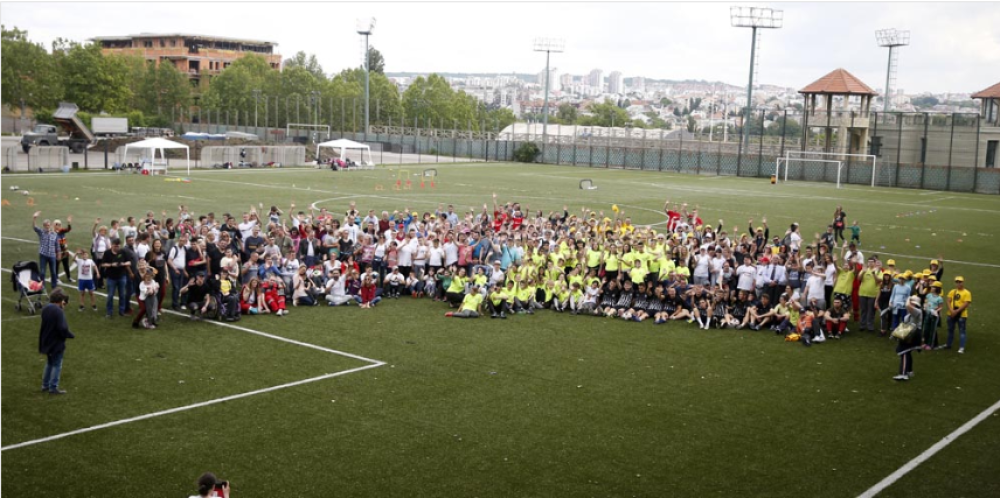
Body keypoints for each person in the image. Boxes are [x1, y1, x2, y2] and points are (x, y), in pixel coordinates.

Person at [39, 288, 74, 395]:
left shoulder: (46, 308)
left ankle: (45, 385)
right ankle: (53, 387)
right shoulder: (58, 311)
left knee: (49, 363)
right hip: (56, 343)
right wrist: (70, 335)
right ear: (61, 300)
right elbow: (62, 328)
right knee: (57, 364)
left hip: (47, 340)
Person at [894, 296, 923, 381]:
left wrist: (908, 298)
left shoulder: (917, 311)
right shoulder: (911, 312)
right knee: (908, 352)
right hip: (909, 333)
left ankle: (903, 374)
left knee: (904, 351)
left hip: (913, 334)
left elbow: (907, 306)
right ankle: (909, 371)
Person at [32, 211, 61, 288]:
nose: (47, 226)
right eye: (46, 225)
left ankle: (54, 286)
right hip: (43, 255)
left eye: (48, 225)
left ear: (50, 225)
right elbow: (35, 227)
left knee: (53, 272)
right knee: (42, 272)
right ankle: (42, 286)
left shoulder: (54, 234)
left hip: (52, 255)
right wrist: (34, 218)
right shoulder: (41, 232)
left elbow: (57, 245)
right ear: (44, 226)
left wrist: (58, 254)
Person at [944, 276, 972, 354]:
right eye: (957, 282)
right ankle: (948, 344)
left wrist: (956, 311)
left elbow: (966, 303)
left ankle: (961, 347)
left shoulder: (967, 293)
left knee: (962, 331)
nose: (958, 283)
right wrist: (951, 310)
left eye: (960, 282)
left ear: (963, 282)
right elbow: (948, 301)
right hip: (951, 313)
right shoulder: (952, 291)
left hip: (961, 314)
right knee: (950, 330)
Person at [71, 248, 100, 312]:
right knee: (82, 293)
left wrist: (97, 273)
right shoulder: (79, 261)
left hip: (89, 279)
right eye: (83, 254)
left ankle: (93, 305)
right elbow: (73, 259)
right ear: (81, 255)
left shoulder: (90, 261)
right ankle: (82, 305)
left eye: (86, 254)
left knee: (91, 293)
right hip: (81, 279)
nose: (84, 256)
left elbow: (95, 266)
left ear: (88, 255)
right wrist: (76, 253)